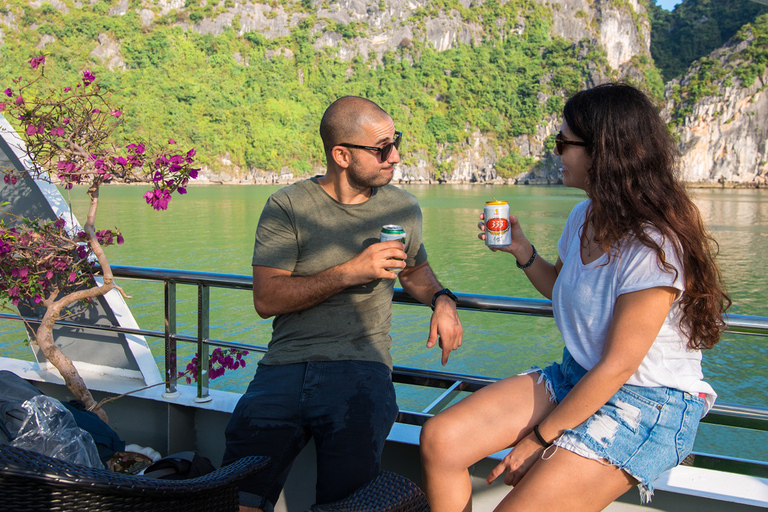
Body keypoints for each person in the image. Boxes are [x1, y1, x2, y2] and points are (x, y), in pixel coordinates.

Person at [419, 83, 730, 511]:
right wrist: (523, 251)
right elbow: (560, 288)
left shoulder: (654, 247)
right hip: (579, 374)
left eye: (564, 142)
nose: (556, 152)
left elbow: (619, 366)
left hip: (648, 401)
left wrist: (537, 440)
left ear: (604, 152)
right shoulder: (584, 216)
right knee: (441, 439)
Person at [223, 96, 463, 512]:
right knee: (236, 497)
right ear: (342, 155)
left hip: (361, 368)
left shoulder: (401, 207)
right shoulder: (289, 205)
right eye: (382, 148)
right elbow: (267, 298)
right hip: (284, 367)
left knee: (348, 505)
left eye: (396, 142)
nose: (396, 156)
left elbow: (414, 270)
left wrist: (443, 300)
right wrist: (352, 270)